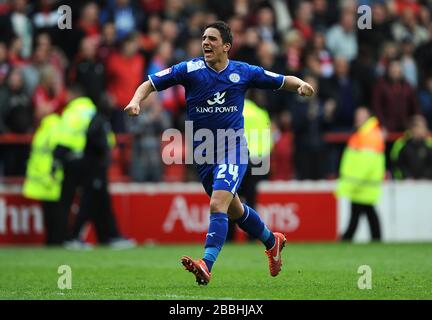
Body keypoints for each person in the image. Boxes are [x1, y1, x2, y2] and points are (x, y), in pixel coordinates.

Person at [124, 21, 314, 285]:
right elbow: (150, 84)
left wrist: (301, 85)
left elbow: (280, 80)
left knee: (217, 204)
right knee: (234, 210)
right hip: (203, 154)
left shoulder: (243, 71)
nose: (205, 43)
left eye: (212, 39)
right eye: (203, 38)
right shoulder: (189, 69)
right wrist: (135, 101)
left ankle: (206, 264)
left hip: (232, 148)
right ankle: (273, 241)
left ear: (227, 46)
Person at [336, 107, 385, 242]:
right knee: (364, 211)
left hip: (362, 182)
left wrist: (354, 182)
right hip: (362, 182)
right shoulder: (365, 134)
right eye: (357, 115)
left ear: (368, 118)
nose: (358, 118)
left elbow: (366, 162)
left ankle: (348, 238)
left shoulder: (369, 135)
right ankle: (372, 239)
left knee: (362, 211)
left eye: (361, 116)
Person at [22, 113, 63, 245]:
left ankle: (52, 241)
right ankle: (56, 241)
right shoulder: (56, 128)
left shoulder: (42, 130)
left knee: (48, 213)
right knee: (57, 213)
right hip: (52, 178)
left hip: (42, 178)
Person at [391, 115, 432, 180]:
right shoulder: (401, 144)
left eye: (420, 127)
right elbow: (396, 165)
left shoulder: (429, 144)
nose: (418, 130)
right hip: (406, 183)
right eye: (415, 126)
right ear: (410, 128)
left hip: (427, 183)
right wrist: (407, 177)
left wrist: (425, 178)